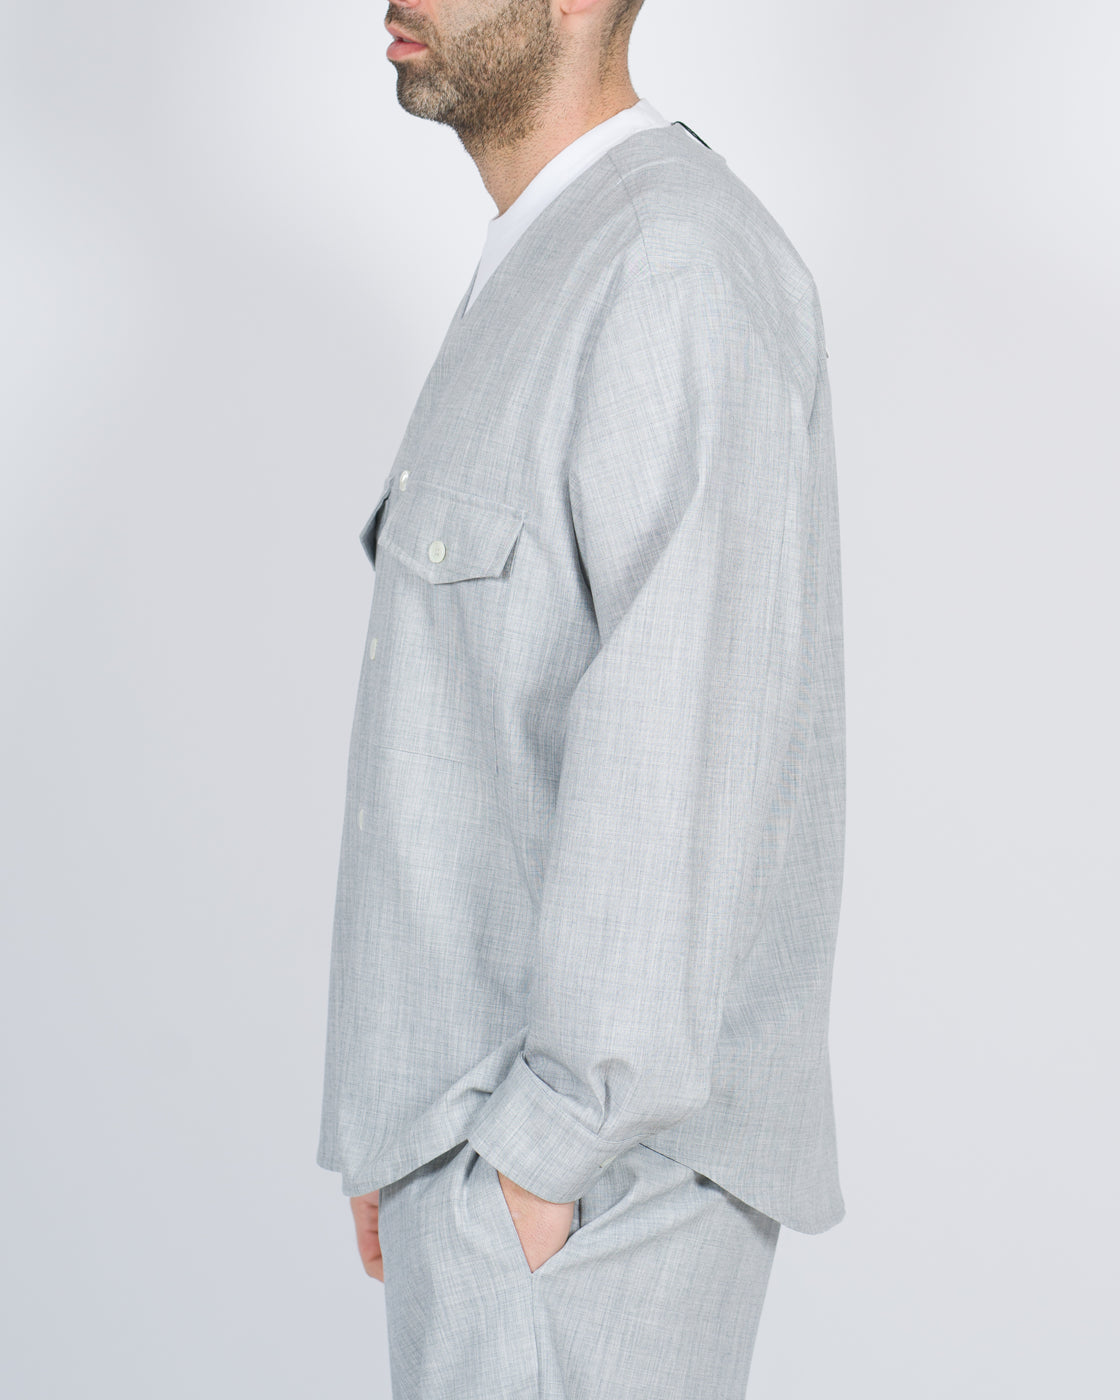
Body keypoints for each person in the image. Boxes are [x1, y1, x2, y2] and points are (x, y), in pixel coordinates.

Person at [316, 1, 847, 1394]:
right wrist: (398, 1127)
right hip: (478, 1167)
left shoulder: (671, 268)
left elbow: (682, 749)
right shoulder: (551, 254)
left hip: (584, 1198)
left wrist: (535, 1163)